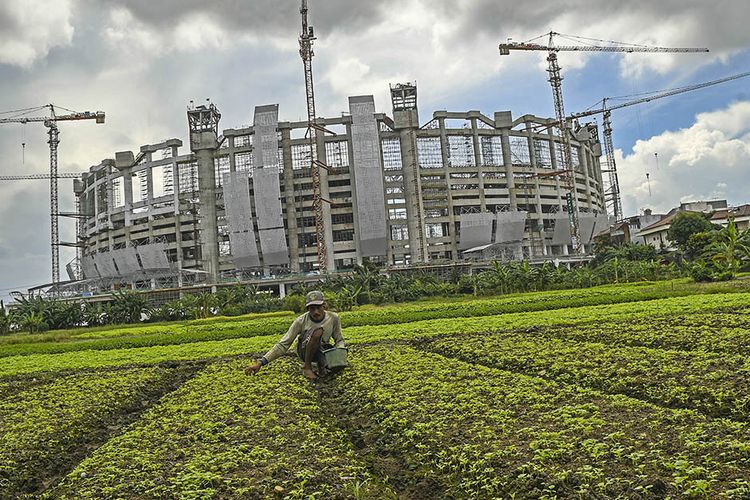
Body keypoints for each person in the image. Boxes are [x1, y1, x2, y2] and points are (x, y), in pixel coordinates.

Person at [245, 290, 345, 380]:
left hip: (321, 350)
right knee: (317, 332)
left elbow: (339, 339)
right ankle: (307, 367)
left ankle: (321, 365)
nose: (316, 312)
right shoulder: (300, 321)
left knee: (336, 367)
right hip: (304, 351)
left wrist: (339, 354)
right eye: (312, 308)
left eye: (318, 307)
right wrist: (261, 362)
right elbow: (283, 344)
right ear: (308, 308)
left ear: (324, 306)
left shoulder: (333, 318)